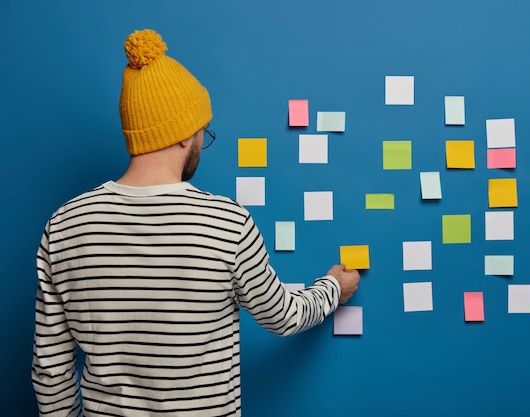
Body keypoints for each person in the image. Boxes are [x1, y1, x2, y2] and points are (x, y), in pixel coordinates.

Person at [32, 29, 360, 417]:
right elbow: (282, 316)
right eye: (204, 130)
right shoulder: (226, 222)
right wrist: (332, 289)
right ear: (184, 134)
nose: (203, 140)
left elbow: (50, 370)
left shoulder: (65, 224)